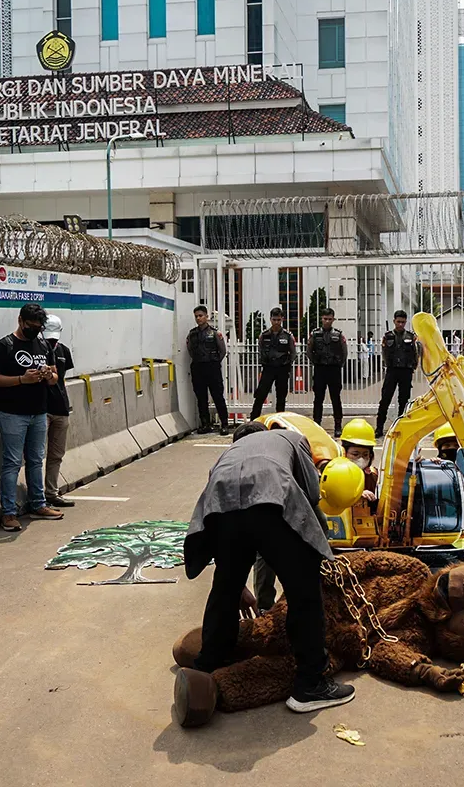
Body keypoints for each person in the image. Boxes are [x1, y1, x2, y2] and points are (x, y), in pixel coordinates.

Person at [183, 421, 357, 713]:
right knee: (304, 593)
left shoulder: (227, 455)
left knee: (224, 589)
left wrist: (235, 578)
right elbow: (311, 493)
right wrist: (315, 546)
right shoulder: (292, 438)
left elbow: (222, 507)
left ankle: (208, 665)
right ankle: (310, 684)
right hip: (271, 498)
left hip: (220, 506)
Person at [0, 303, 65, 531]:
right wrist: (21, 379)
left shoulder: (41, 343)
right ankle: (8, 512)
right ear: (20, 321)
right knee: (11, 463)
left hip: (39, 412)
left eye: (38, 327)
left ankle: (38, 503)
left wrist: (49, 375)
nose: (34, 330)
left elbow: (55, 376)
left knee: (36, 460)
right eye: (31, 326)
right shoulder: (5, 346)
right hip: (12, 413)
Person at [42, 313, 76, 509]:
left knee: (56, 453)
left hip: (60, 408)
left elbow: (62, 379)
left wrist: (66, 402)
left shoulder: (63, 351)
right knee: (37, 455)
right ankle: (37, 496)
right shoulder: (38, 349)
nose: (52, 340)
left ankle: (51, 492)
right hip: (42, 408)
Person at [375, 310, 420, 437]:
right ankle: (379, 428)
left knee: (404, 401)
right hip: (392, 370)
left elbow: (416, 353)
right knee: (385, 399)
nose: (400, 324)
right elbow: (384, 352)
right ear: (394, 321)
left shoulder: (411, 337)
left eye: (403, 322)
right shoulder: (388, 336)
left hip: (406, 371)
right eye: (398, 322)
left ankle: (401, 427)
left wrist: (414, 367)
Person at [186, 305, 229, 435]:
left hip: (212, 367)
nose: (198, 318)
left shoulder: (215, 333)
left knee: (217, 397)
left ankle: (224, 424)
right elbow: (190, 350)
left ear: (206, 317)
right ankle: (205, 424)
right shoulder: (192, 334)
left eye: (201, 316)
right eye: (196, 316)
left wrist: (213, 362)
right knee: (201, 397)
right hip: (198, 368)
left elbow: (222, 351)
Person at [250, 307, 297, 419]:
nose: (276, 322)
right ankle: (253, 419)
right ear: (270, 319)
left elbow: (293, 353)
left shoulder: (288, 335)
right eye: (274, 319)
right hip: (268, 369)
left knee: (281, 397)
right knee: (261, 395)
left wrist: (286, 364)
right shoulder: (264, 335)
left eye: (278, 320)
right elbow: (260, 351)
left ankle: (279, 420)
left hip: (282, 369)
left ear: (282, 320)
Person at [308, 307, 348, 437]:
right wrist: (316, 362)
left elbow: (344, 352)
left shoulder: (338, 334)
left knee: (336, 398)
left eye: (330, 319)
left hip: (334, 369)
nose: (327, 321)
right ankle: (317, 424)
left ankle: (337, 426)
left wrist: (339, 364)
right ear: (321, 319)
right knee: (318, 398)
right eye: (325, 319)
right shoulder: (315, 334)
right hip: (320, 369)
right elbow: (309, 351)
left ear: (333, 319)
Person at [339, 418, 379, 514]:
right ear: (344, 452)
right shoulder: (336, 473)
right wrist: (357, 495)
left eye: (365, 455)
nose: (361, 459)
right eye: (355, 454)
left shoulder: (373, 475)